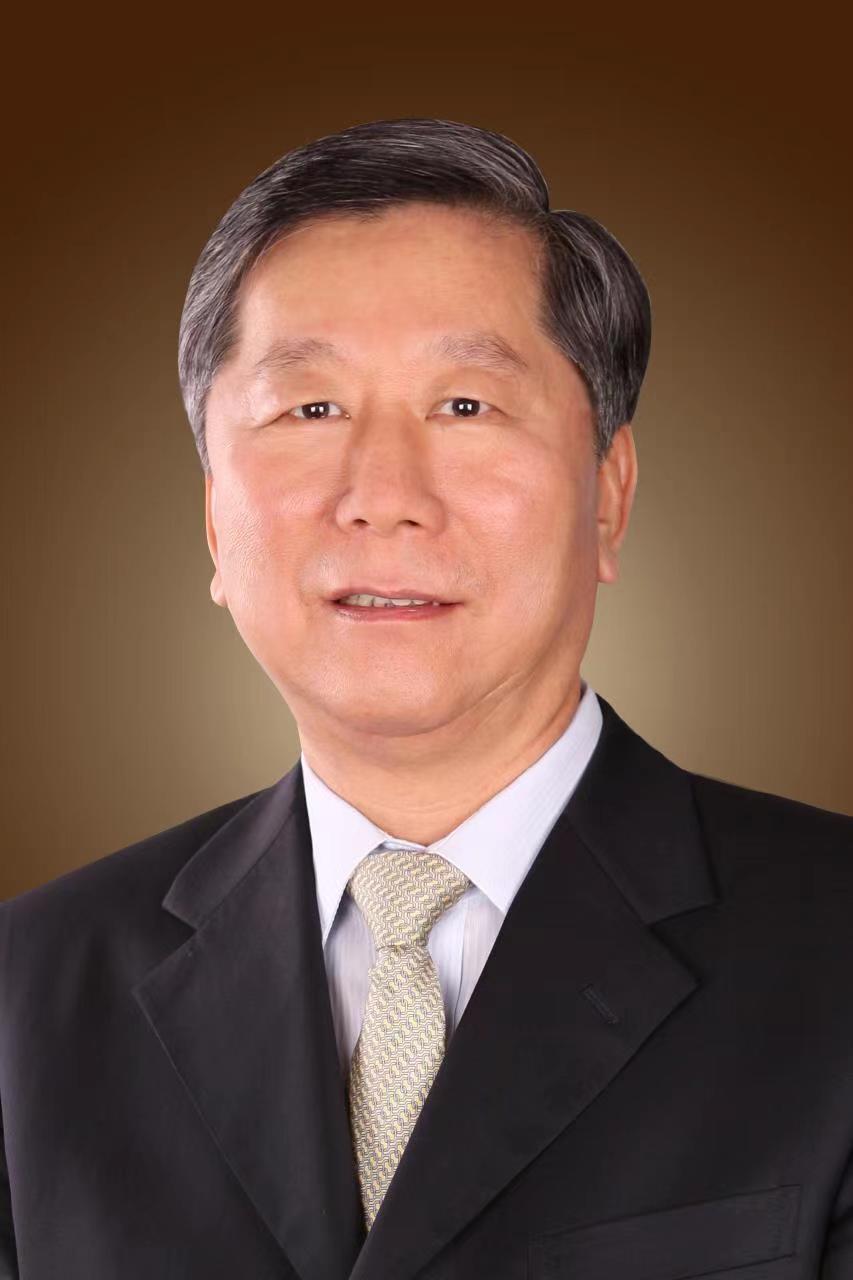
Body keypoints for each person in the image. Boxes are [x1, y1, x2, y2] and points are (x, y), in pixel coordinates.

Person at [0, 117, 851, 1280]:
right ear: (212, 519)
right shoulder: (29, 992)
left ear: (608, 494)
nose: (383, 494)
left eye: (464, 406)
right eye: (310, 409)